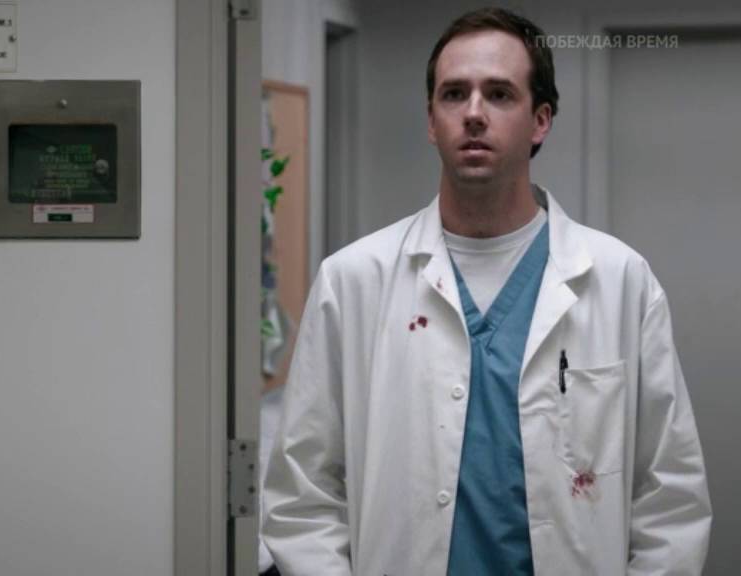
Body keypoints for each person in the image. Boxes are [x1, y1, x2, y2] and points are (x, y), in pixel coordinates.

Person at [261, 7, 711, 575]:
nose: (473, 113)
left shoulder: (621, 281)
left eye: (499, 94)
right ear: (431, 121)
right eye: (454, 95)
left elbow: (670, 499)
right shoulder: (353, 282)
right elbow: (303, 497)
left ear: (540, 120)